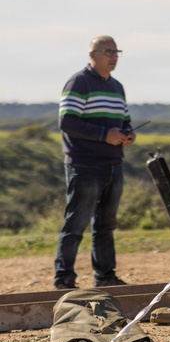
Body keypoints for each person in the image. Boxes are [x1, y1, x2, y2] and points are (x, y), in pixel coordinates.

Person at [54, 35, 136, 289]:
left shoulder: (117, 86)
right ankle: (64, 279)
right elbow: (66, 121)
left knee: (105, 224)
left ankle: (105, 277)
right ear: (93, 55)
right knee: (76, 223)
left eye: (116, 52)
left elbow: (123, 120)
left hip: (113, 163)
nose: (113, 57)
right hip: (85, 165)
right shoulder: (79, 82)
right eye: (108, 52)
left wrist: (128, 132)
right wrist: (104, 135)